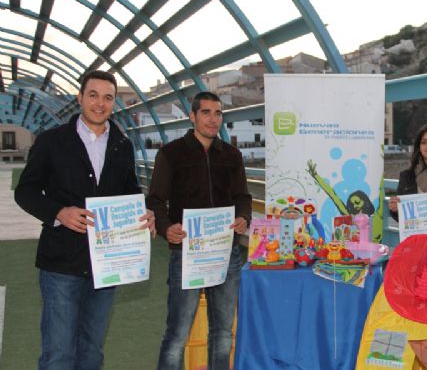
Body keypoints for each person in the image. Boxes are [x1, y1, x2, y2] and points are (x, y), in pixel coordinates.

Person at [14, 70, 155, 370]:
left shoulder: (122, 145)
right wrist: (58, 212)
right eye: (93, 95)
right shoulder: (51, 142)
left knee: (91, 351)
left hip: (107, 266)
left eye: (108, 97)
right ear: (80, 97)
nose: (99, 103)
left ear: (114, 103)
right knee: (58, 353)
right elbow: (25, 191)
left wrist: (143, 214)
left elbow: (129, 191)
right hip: (61, 263)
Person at [147, 91, 252, 370]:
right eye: (206, 112)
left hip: (225, 253)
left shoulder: (232, 155)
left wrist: (243, 217)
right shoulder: (170, 154)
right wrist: (167, 228)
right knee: (177, 334)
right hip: (186, 254)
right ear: (192, 116)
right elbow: (155, 201)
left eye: (218, 113)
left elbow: (243, 196)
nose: (213, 119)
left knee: (222, 333)